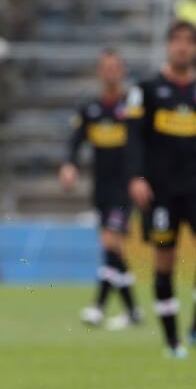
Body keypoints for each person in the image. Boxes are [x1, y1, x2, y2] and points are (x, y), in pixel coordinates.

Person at [126, 21, 196, 359]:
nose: (182, 48)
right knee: (164, 259)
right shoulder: (145, 90)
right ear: (168, 46)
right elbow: (133, 139)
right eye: (177, 41)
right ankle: (172, 341)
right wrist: (136, 177)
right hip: (161, 192)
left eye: (189, 42)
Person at [60, 50, 142, 330]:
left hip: (125, 186)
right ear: (99, 72)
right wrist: (69, 164)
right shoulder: (90, 107)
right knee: (115, 250)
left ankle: (98, 307)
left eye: (115, 67)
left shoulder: (133, 106)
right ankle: (133, 312)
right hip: (101, 187)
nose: (110, 72)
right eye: (106, 67)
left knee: (110, 244)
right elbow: (75, 140)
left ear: (123, 71)